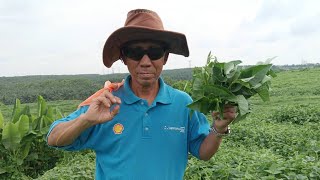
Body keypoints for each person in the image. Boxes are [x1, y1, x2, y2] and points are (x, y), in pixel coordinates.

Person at [47, 9, 236, 180]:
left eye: (154, 52)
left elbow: (203, 152)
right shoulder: (106, 101)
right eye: (135, 52)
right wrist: (86, 120)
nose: (145, 61)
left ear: (165, 57)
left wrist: (218, 129)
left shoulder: (183, 103)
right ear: (124, 58)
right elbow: (53, 138)